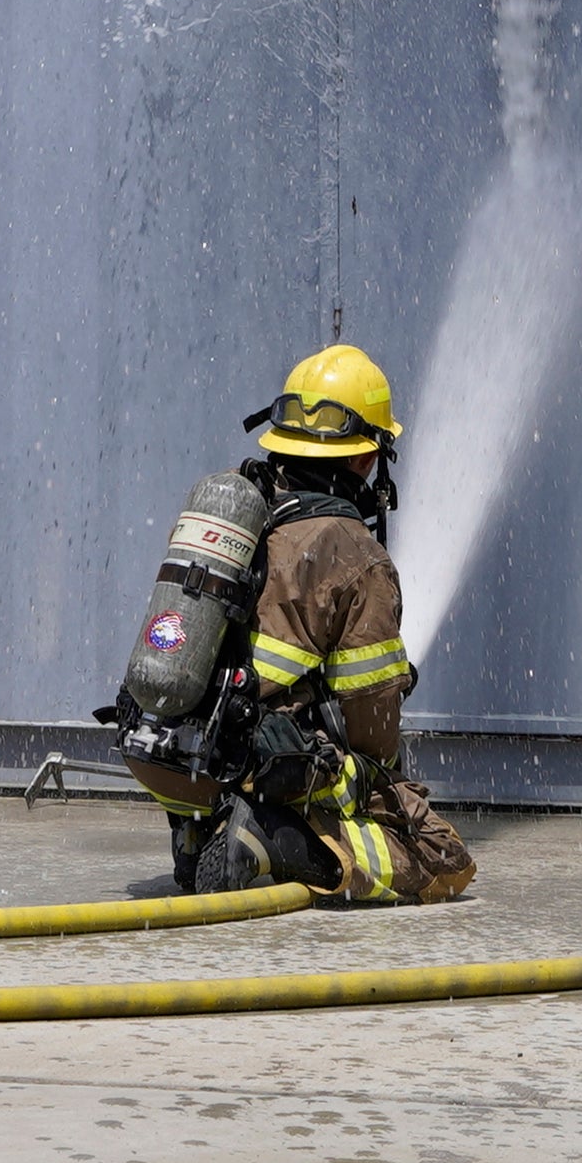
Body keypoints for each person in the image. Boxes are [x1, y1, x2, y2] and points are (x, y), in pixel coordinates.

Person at [139, 344, 477, 905]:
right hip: (263, 763)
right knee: (439, 855)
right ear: (365, 459)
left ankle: (201, 833)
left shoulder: (236, 505)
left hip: (173, 753)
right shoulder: (356, 556)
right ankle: (276, 841)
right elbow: (373, 734)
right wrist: (389, 792)